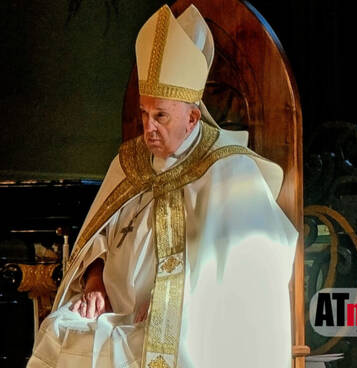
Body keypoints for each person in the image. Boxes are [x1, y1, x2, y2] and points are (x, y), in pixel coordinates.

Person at [27, 5, 297, 368]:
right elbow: (100, 241)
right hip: (114, 316)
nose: (148, 129)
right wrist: (95, 283)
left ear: (192, 117)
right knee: (58, 330)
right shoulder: (129, 162)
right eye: (143, 114)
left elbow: (252, 268)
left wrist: (171, 306)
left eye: (160, 117)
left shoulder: (231, 171)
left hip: (184, 329)